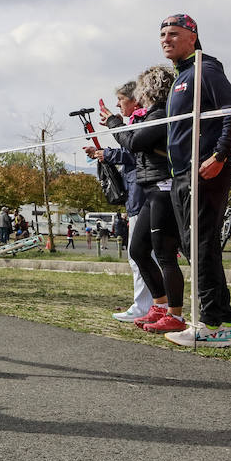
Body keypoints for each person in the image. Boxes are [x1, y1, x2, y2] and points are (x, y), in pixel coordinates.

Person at [159, 13, 231, 347]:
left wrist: (220, 155)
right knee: (193, 247)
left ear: (192, 37)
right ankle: (223, 321)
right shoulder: (181, 75)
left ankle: (214, 324)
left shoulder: (204, 69)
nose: (166, 39)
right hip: (181, 175)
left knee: (201, 245)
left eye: (174, 33)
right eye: (162, 34)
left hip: (204, 172)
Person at [108, 66, 186, 334]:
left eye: (141, 88)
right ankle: (160, 305)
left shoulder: (161, 112)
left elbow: (134, 142)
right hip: (149, 188)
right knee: (138, 250)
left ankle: (175, 313)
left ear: (149, 89)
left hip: (164, 186)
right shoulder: (150, 114)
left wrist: (115, 124)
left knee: (165, 255)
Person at [86, 81, 155, 323]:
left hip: (142, 195)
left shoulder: (144, 121)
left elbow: (136, 153)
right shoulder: (137, 122)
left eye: (121, 100)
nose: (117, 104)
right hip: (137, 195)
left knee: (140, 256)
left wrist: (108, 153)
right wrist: (104, 153)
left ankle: (145, 305)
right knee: (145, 255)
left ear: (135, 100)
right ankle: (153, 305)